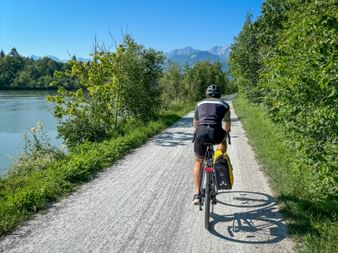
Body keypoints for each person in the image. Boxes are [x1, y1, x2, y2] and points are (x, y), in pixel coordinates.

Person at [192, 84, 231, 205]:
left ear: (206, 94)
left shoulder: (199, 104)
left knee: (199, 161)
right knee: (222, 139)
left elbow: (195, 123)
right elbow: (227, 124)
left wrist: (200, 131)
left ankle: (197, 195)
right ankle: (219, 156)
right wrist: (227, 133)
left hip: (201, 134)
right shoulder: (225, 105)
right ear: (219, 95)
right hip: (216, 133)